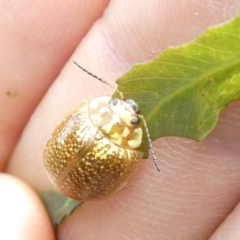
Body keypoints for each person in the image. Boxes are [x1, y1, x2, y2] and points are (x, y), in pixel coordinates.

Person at [1, 1, 240, 239]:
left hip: (58, 169)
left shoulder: (89, 116)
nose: (131, 107)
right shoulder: (122, 150)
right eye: (134, 119)